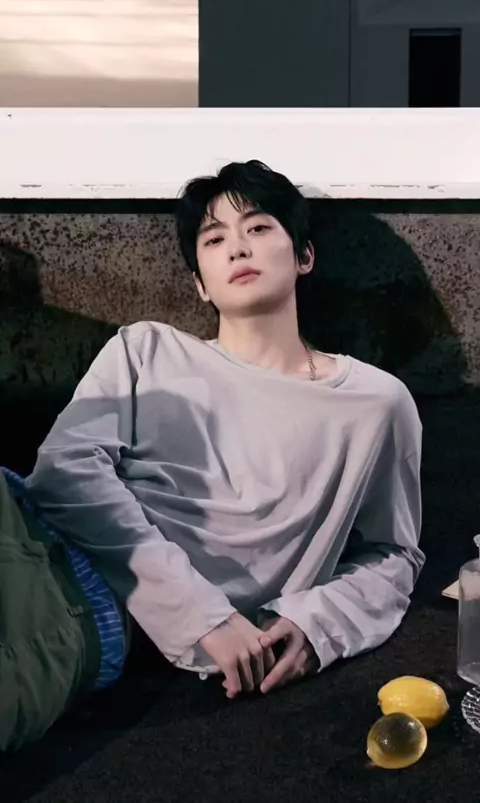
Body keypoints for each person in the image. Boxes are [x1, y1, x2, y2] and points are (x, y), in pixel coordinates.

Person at [0, 159, 424, 752]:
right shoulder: (147, 350)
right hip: (23, 521)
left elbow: (393, 555)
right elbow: (65, 470)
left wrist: (318, 623)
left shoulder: (374, 404)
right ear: (200, 283)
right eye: (214, 239)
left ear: (304, 255)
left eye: (258, 228)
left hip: (79, 603)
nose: (237, 248)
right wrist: (201, 614)